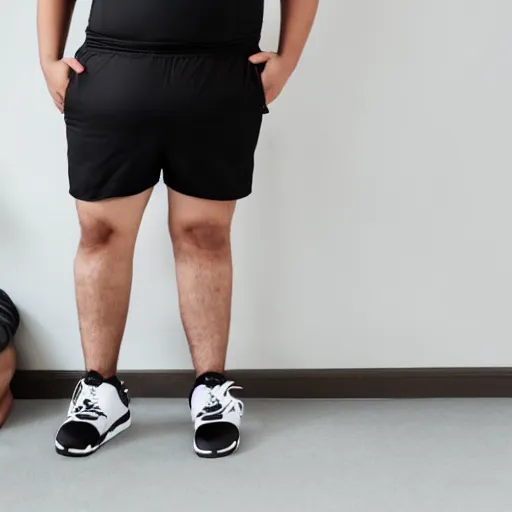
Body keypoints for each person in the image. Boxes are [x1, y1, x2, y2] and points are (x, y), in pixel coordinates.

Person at [37, 0, 318, 458]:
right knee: (100, 234)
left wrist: (287, 62)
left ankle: (211, 389)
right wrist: (48, 60)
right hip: (114, 68)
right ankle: (100, 390)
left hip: (219, 72)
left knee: (204, 234)